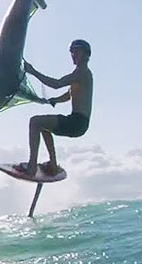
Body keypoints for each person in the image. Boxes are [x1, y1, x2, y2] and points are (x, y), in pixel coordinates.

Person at [17, 39, 94, 177]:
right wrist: (54, 100)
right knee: (43, 126)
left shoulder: (82, 72)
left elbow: (56, 84)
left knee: (35, 122)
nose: (73, 54)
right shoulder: (81, 74)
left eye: (76, 51)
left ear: (86, 54)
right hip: (79, 123)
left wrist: (33, 71)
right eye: (71, 52)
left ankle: (32, 167)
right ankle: (52, 165)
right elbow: (69, 94)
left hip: (77, 122)